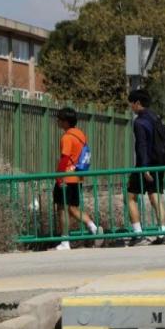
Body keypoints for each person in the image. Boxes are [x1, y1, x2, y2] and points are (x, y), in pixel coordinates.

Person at [52, 107, 100, 250]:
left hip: (66, 177)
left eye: (59, 119)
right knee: (72, 207)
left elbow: (65, 158)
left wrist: (59, 177)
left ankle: (65, 241)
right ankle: (94, 228)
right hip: (77, 176)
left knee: (62, 208)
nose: (58, 121)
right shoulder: (80, 134)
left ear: (65, 122)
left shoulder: (66, 137)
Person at [126, 89, 165, 245]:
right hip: (160, 163)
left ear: (137, 103)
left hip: (145, 165)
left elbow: (142, 146)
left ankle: (138, 233)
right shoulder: (156, 118)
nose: (131, 107)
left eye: (131, 103)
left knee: (130, 197)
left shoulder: (139, 122)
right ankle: (162, 232)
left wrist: (144, 168)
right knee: (155, 195)